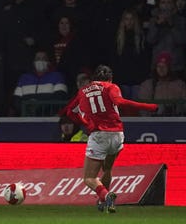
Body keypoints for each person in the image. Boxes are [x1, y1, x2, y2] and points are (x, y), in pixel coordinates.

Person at [65, 65, 158, 213]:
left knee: (89, 178)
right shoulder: (111, 87)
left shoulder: (83, 90)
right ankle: (105, 203)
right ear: (110, 78)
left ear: (94, 78)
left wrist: (85, 122)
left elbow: (70, 112)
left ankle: (106, 195)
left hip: (99, 136)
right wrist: (149, 106)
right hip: (117, 135)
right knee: (107, 169)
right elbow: (120, 102)